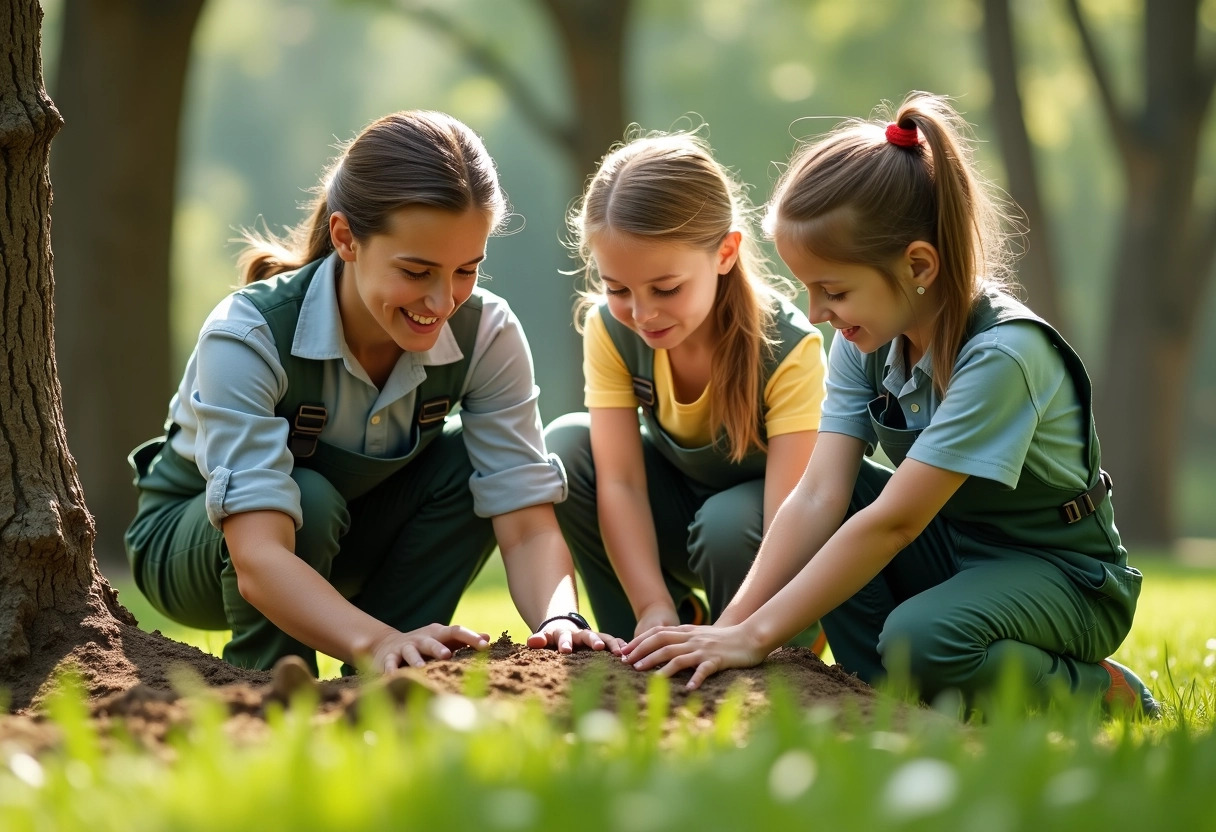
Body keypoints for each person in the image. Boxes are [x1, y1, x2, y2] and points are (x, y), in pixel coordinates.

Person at [622, 93, 1159, 719]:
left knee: (922, 639)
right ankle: (881, 698)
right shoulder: (869, 337)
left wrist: (757, 637)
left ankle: (1097, 693)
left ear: (918, 265)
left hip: (1060, 576)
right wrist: (733, 623)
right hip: (955, 553)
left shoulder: (1002, 357)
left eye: (835, 290)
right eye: (808, 290)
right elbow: (819, 494)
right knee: (847, 510)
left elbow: (895, 524)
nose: (817, 313)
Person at [125, 110, 621, 676]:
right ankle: (272, 683)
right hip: (201, 547)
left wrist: (561, 620)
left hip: (353, 530)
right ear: (346, 238)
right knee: (307, 500)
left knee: (470, 464)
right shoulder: (247, 334)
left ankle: (398, 665)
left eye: (466, 270)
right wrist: (373, 638)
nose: (442, 302)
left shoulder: (488, 332)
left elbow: (527, 522)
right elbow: (258, 557)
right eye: (416, 272)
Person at [544, 130, 829, 648]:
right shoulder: (612, 330)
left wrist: (730, 634)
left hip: (765, 544)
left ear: (725, 252)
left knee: (727, 521)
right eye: (617, 289)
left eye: (666, 288)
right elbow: (622, 483)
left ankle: (771, 645)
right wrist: (650, 603)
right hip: (673, 512)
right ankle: (646, 631)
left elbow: (795, 512)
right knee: (567, 446)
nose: (643, 312)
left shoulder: (789, 348)